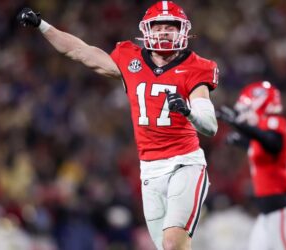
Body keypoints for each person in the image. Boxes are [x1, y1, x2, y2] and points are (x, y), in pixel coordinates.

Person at [17, 1, 219, 249]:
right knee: (168, 246)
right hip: (149, 170)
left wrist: (188, 111)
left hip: (185, 164)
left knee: (172, 242)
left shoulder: (196, 66)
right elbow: (80, 51)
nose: (164, 31)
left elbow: (209, 125)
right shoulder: (130, 58)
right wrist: (42, 25)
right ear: (147, 30)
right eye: (159, 26)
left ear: (183, 31)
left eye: (171, 26)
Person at [216, 81, 286, 250]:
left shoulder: (276, 122)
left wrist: (238, 125)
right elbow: (257, 145)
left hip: (280, 212)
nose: (244, 113)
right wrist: (238, 138)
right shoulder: (262, 134)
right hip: (266, 215)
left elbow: (271, 143)